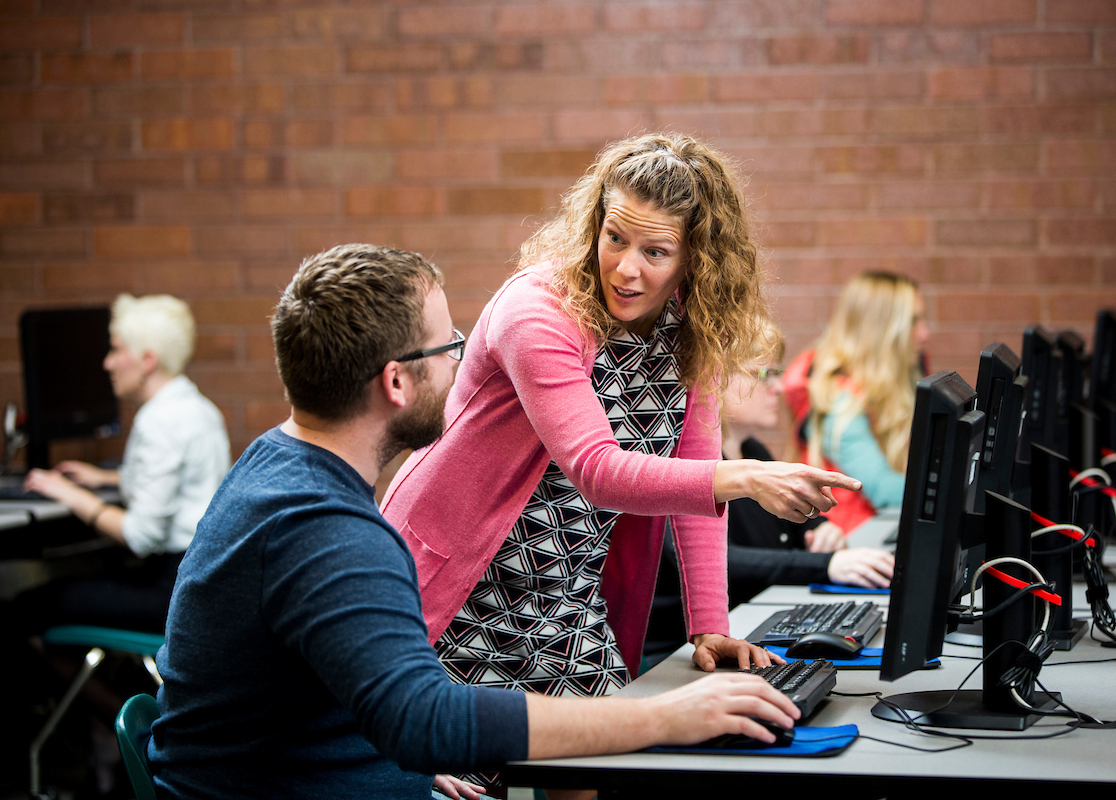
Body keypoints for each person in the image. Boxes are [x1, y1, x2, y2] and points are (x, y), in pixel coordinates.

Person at [147, 244, 800, 800]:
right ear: (397, 382)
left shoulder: (272, 469)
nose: (462, 361)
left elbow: (352, 700)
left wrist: (400, 771)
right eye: (449, 345)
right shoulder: (328, 532)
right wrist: (660, 718)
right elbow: (426, 721)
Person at [380, 133, 860, 749]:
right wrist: (742, 478)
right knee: (466, 772)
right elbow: (596, 468)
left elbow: (693, 465)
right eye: (615, 238)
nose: (627, 267)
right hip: (469, 585)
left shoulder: (695, 322)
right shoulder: (541, 308)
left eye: (656, 251)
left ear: (697, 258)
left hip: (566, 591)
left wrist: (709, 625)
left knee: (603, 770)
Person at [645, 328, 894, 663]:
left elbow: (796, 524)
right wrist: (828, 565)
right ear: (715, 376)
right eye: (764, 374)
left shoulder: (752, 450)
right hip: (680, 652)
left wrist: (819, 529)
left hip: (745, 623)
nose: (778, 387)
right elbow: (724, 560)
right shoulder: (677, 463)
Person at [17, 293, 229, 633]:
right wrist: (106, 479)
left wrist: (70, 494)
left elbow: (141, 535)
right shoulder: (198, 407)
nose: (107, 363)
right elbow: (177, 478)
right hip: (198, 585)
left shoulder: (159, 421)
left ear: (147, 360)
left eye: (116, 350)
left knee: (26, 607)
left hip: (166, 594)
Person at [782, 271, 929, 534]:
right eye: (913, 321)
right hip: (847, 544)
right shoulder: (839, 401)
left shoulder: (881, 387)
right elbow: (882, 490)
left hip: (877, 530)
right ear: (881, 330)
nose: (924, 334)